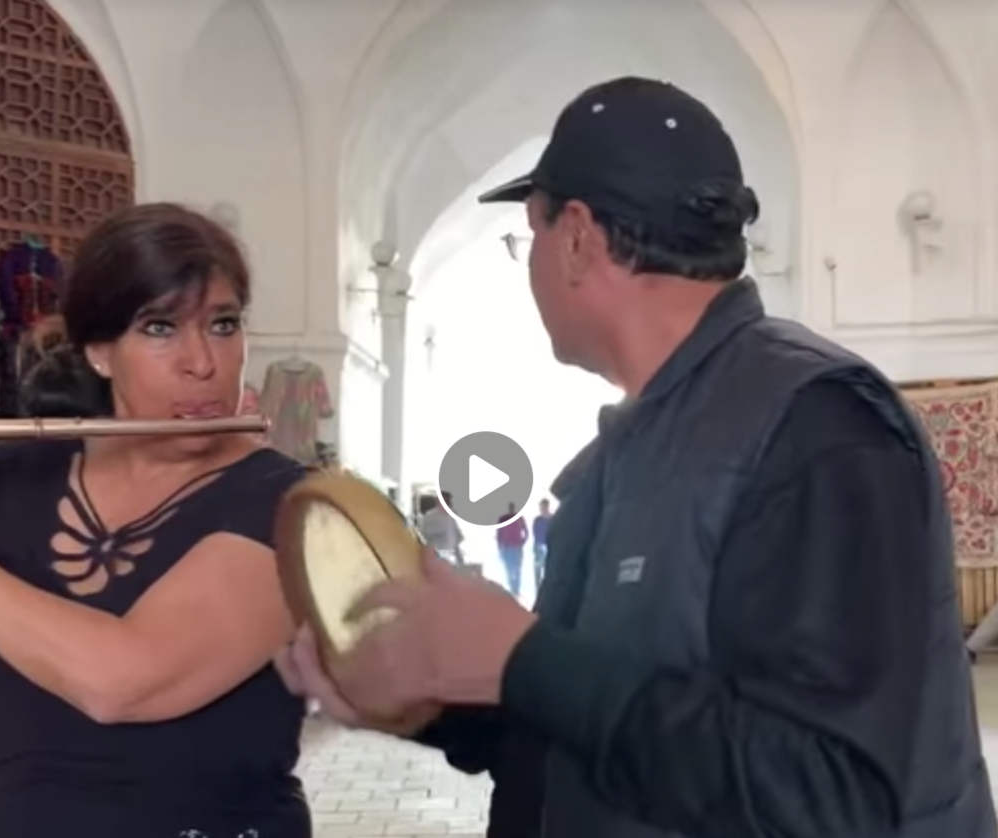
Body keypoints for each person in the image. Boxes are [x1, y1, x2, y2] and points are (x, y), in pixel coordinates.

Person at [276, 77, 996, 837]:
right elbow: (586, 729)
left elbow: (838, 797)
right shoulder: (622, 456)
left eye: (529, 235)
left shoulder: (818, 429)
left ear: (577, 238)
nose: (530, 265)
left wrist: (522, 659)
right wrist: (428, 690)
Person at [0, 203, 310, 837]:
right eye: (160, 328)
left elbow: (125, 681)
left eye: (223, 324)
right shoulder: (2, 478)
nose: (202, 362)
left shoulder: (291, 505)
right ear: (99, 350)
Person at [419, 491, 465, 565]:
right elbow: (424, 535)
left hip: (450, 555)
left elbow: (456, 539)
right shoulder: (430, 517)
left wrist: (460, 560)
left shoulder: (450, 517)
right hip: (437, 555)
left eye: (448, 501)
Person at [531, 498, 551, 589]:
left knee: (549, 570)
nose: (542, 509)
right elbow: (535, 533)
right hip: (539, 548)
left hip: (549, 548)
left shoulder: (552, 519)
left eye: (543, 506)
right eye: (541, 507)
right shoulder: (537, 520)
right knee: (537, 570)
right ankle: (538, 588)